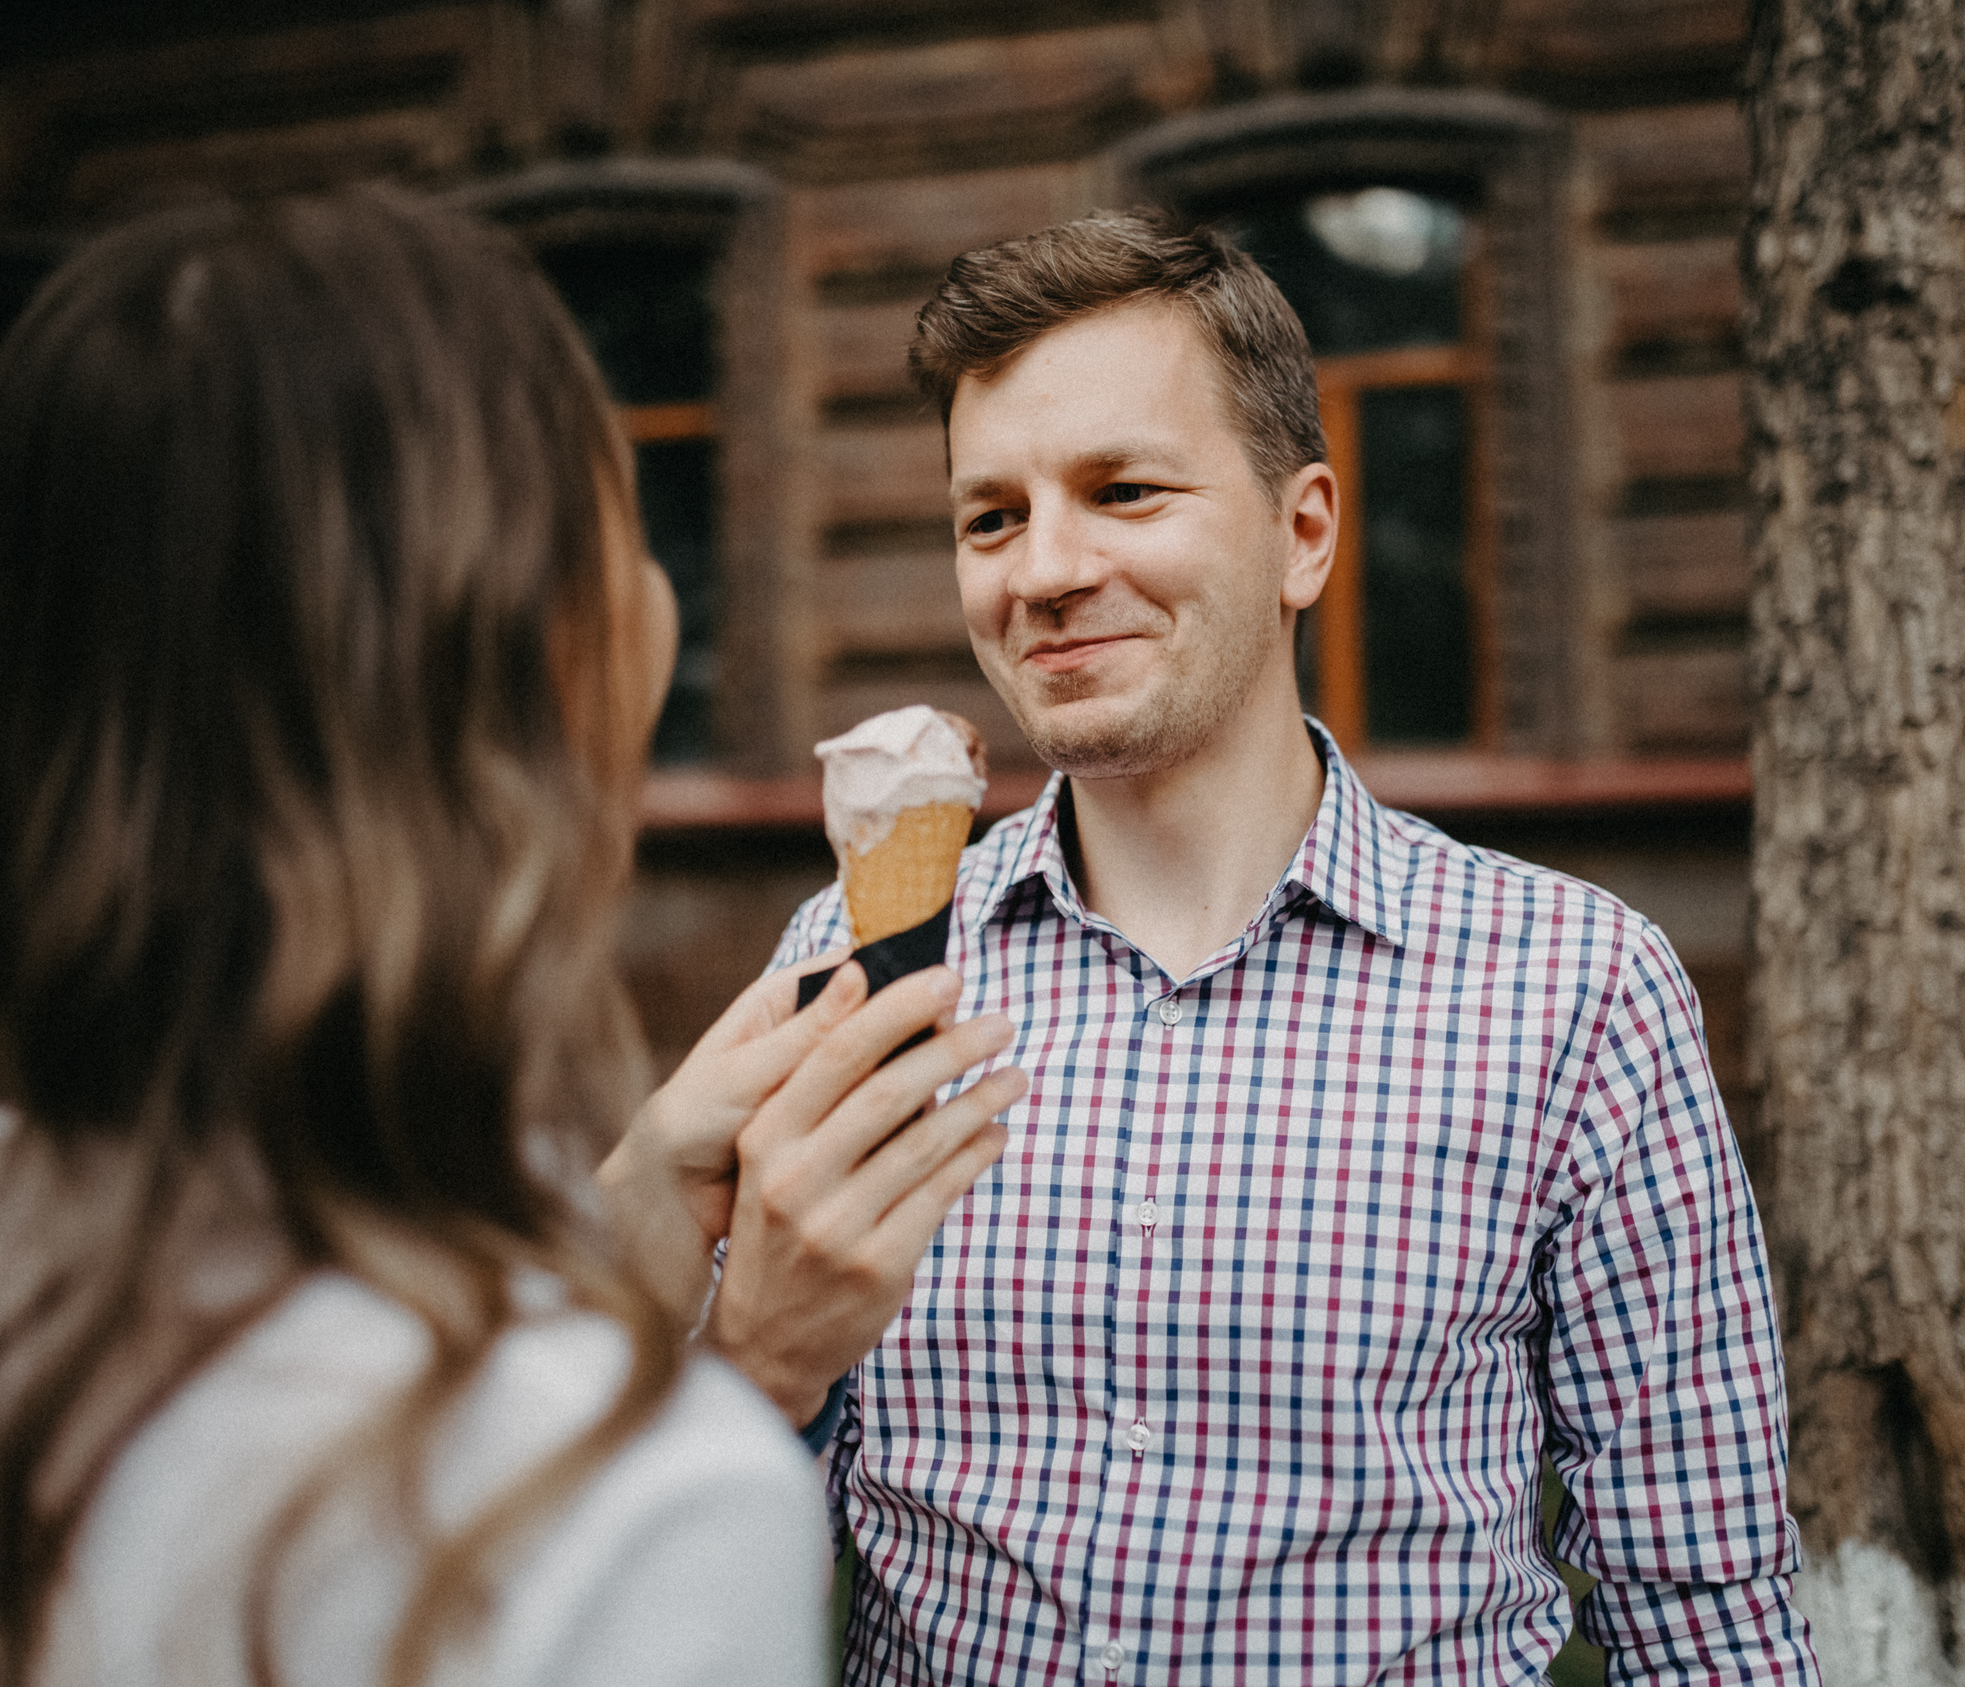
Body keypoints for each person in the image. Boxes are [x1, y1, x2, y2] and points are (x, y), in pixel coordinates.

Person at [0, 186, 1018, 1687]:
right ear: (556, 678)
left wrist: (636, 1208)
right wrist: (751, 1378)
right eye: (627, 536)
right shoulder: (625, 1500)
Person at [727, 212, 1818, 1681]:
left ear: (1304, 533)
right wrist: (752, 1361)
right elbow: (709, 1534)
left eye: (1121, 491)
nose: (1042, 571)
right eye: (991, 517)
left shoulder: (1572, 989)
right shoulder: (857, 965)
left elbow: (1703, 1610)